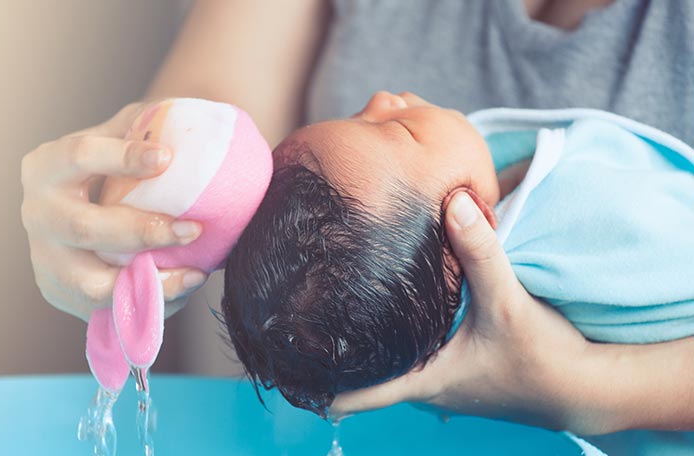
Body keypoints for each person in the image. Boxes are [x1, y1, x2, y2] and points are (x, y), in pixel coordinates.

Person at [20, 1, 694, 456]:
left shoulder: (595, 212)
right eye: (382, 126)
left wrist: (594, 389)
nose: (380, 96)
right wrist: (150, 184)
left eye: (391, 130)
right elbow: (219, 101)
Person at [222, 90, 694, 417]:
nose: (380, 100)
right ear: (469, 220)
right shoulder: (585, 216)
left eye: (355, 119)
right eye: (400, 130)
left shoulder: (478, 178)